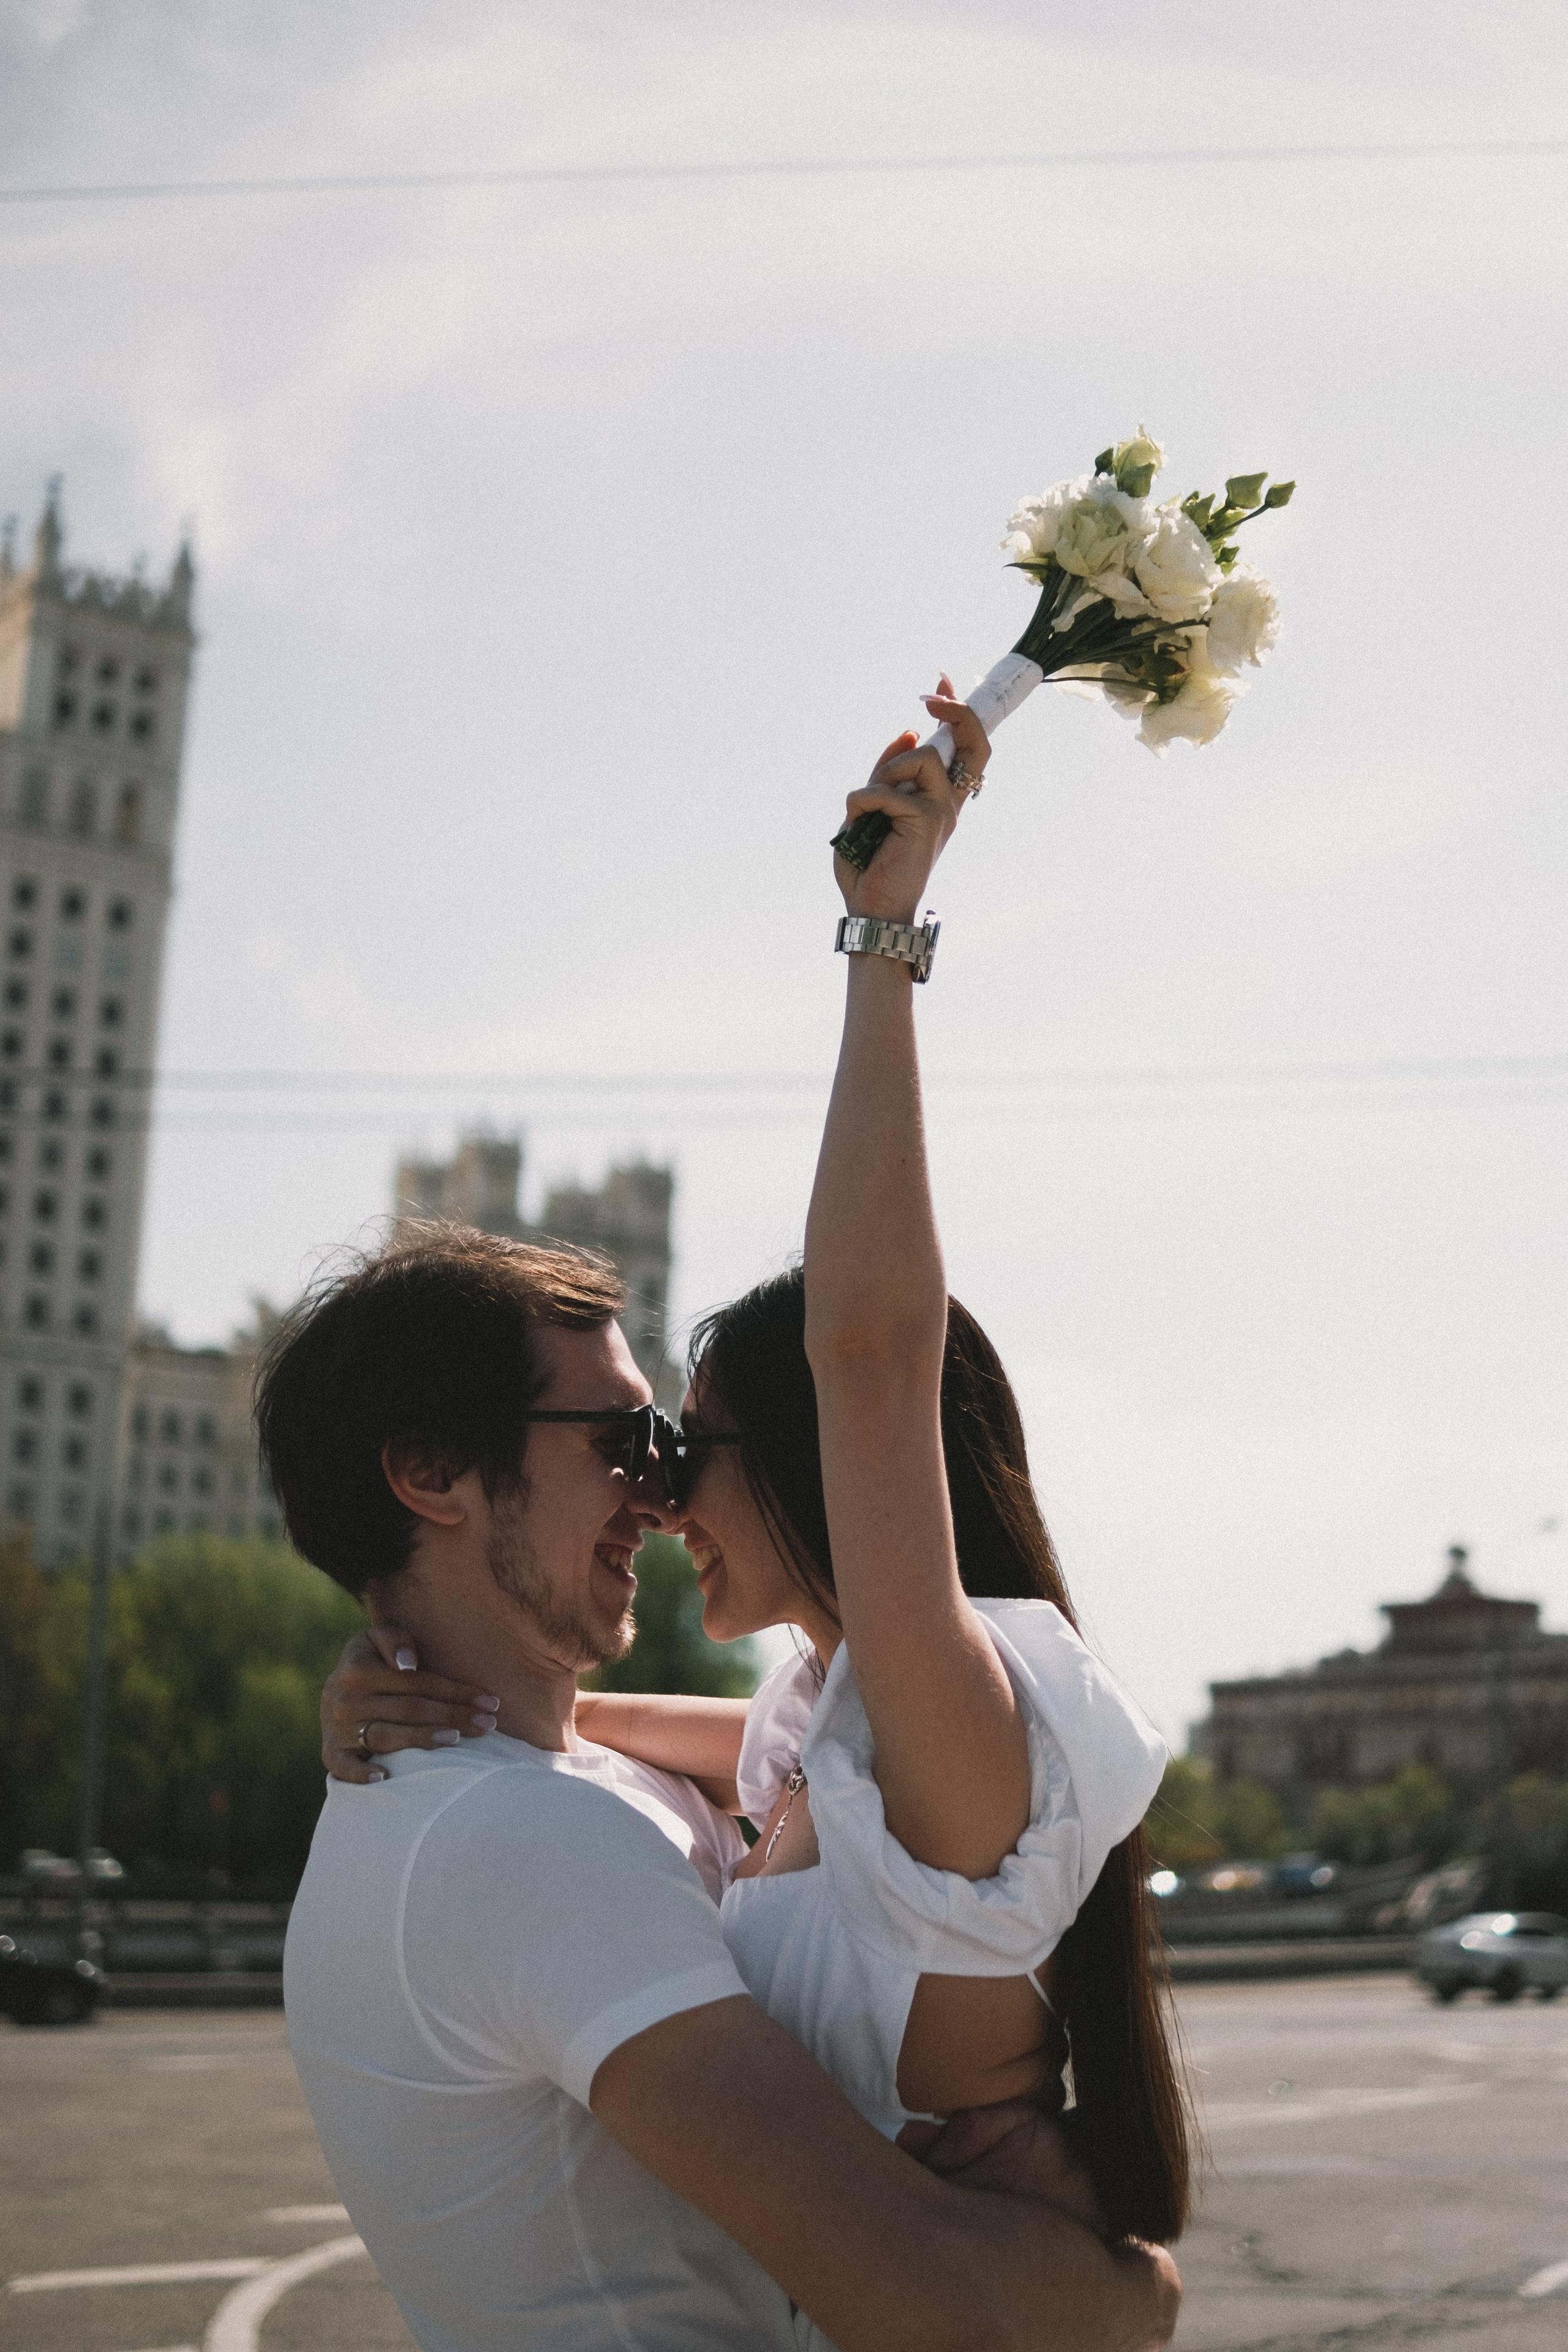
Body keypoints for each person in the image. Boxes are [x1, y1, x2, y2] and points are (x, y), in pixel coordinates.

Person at [270, 699, 1179, 2352]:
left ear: (834, 1460)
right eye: (622, 1441)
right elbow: (598, 1738)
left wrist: (880, 948)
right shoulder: (805, 1746)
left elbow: (873, 1349)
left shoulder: (937, 1736)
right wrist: (383, 1683)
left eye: (677, 1442)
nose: (658, 1486)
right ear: (432, 1472)